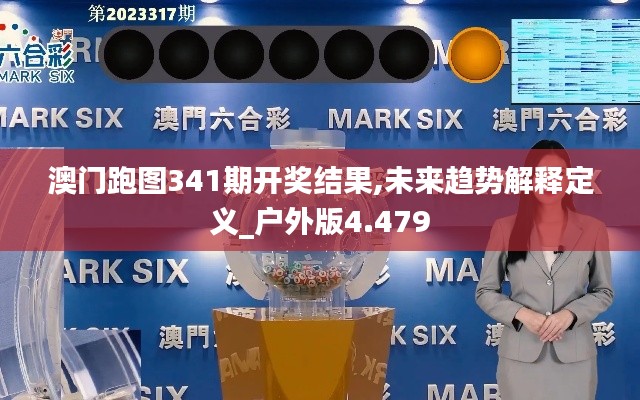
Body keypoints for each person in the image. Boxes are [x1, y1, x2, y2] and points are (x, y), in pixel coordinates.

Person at [475, 140, 614, 400]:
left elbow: (603, 291)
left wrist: (570, 315)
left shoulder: (593, 229)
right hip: (521, 359)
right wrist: (523, 315)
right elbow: (485, 292)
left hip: (574, 359)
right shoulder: (505, 228)